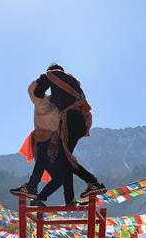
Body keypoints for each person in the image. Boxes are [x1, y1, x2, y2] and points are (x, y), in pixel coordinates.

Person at [28, 64, 106, 205]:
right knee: (66, 160)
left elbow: (38, 92)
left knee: (64, 160)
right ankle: (78, 193)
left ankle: (89, 185)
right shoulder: (73, 85)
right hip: (80, 122)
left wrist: (41, 85)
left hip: (70, 120)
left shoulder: (52, 74)